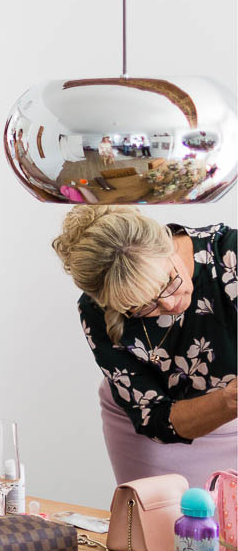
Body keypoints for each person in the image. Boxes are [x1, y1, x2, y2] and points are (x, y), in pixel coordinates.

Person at [53, 206, 237, 485]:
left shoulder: (230, 259)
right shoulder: (96, 310)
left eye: (169, 281)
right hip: (155, 429)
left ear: (168, 244)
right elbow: (156, 419)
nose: (171, 304)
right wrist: (228, 400)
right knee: (157, 523)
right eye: (143, 306)